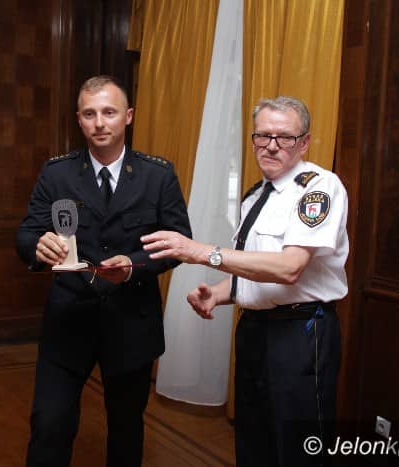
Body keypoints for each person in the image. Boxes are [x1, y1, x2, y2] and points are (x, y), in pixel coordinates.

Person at [142, 96, 348, 467]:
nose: (271, 145)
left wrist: (202, 252)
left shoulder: (318, 189)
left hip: (301, 332)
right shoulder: (255, 195)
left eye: (285, 137)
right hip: (254, 330)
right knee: (254, 438)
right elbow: (258, 271)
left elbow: (290, 268)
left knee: (298, 446)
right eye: (263, 135)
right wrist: (220, 293)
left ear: (304, 142)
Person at [16, 75, 192, 467]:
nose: (100, 123)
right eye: (90, 114)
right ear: (79, 119)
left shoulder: (158, 176)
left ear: (127, 116)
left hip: (131, 324)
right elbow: (27, 233)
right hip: (68, 323)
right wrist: (37, 246)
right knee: (49, 425)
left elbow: (178, 243)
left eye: (109, 112)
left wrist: (134, 266)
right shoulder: (57, 174)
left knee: (126, 432)